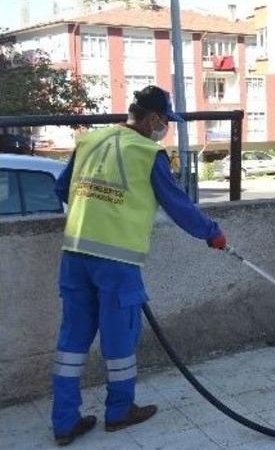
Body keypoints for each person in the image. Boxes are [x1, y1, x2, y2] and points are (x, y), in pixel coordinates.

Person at [51, 85, 227, 446]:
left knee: (72, 340)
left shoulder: (91, 140)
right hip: (116, 260)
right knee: (119, 338)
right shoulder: (148, 153)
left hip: (74, 255)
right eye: (165, 122)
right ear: (152, 119)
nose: (166, 129)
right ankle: (119, 412)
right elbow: (179, 205)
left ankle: (64, 421)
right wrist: (212, 233)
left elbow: (61, 189)